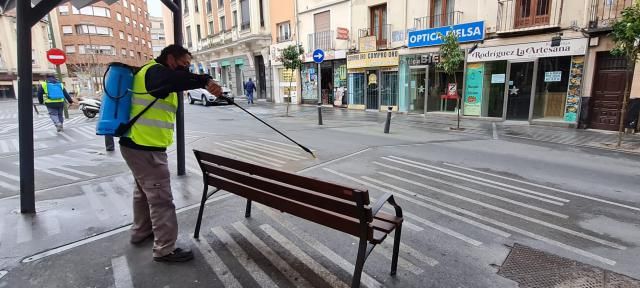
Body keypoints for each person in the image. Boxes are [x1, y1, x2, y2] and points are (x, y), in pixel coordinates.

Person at [119, 44, 222, 263]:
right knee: (161, 199)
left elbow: (175, 82)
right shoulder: (156, 73)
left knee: (143, 192)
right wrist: (205, 80)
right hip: (145, 147)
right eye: (183, 64)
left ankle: (141, 232)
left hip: (136, 145)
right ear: (171, 59)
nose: (186, 69)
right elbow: (176, 81)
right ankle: (165, 248)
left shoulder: (151, 73)